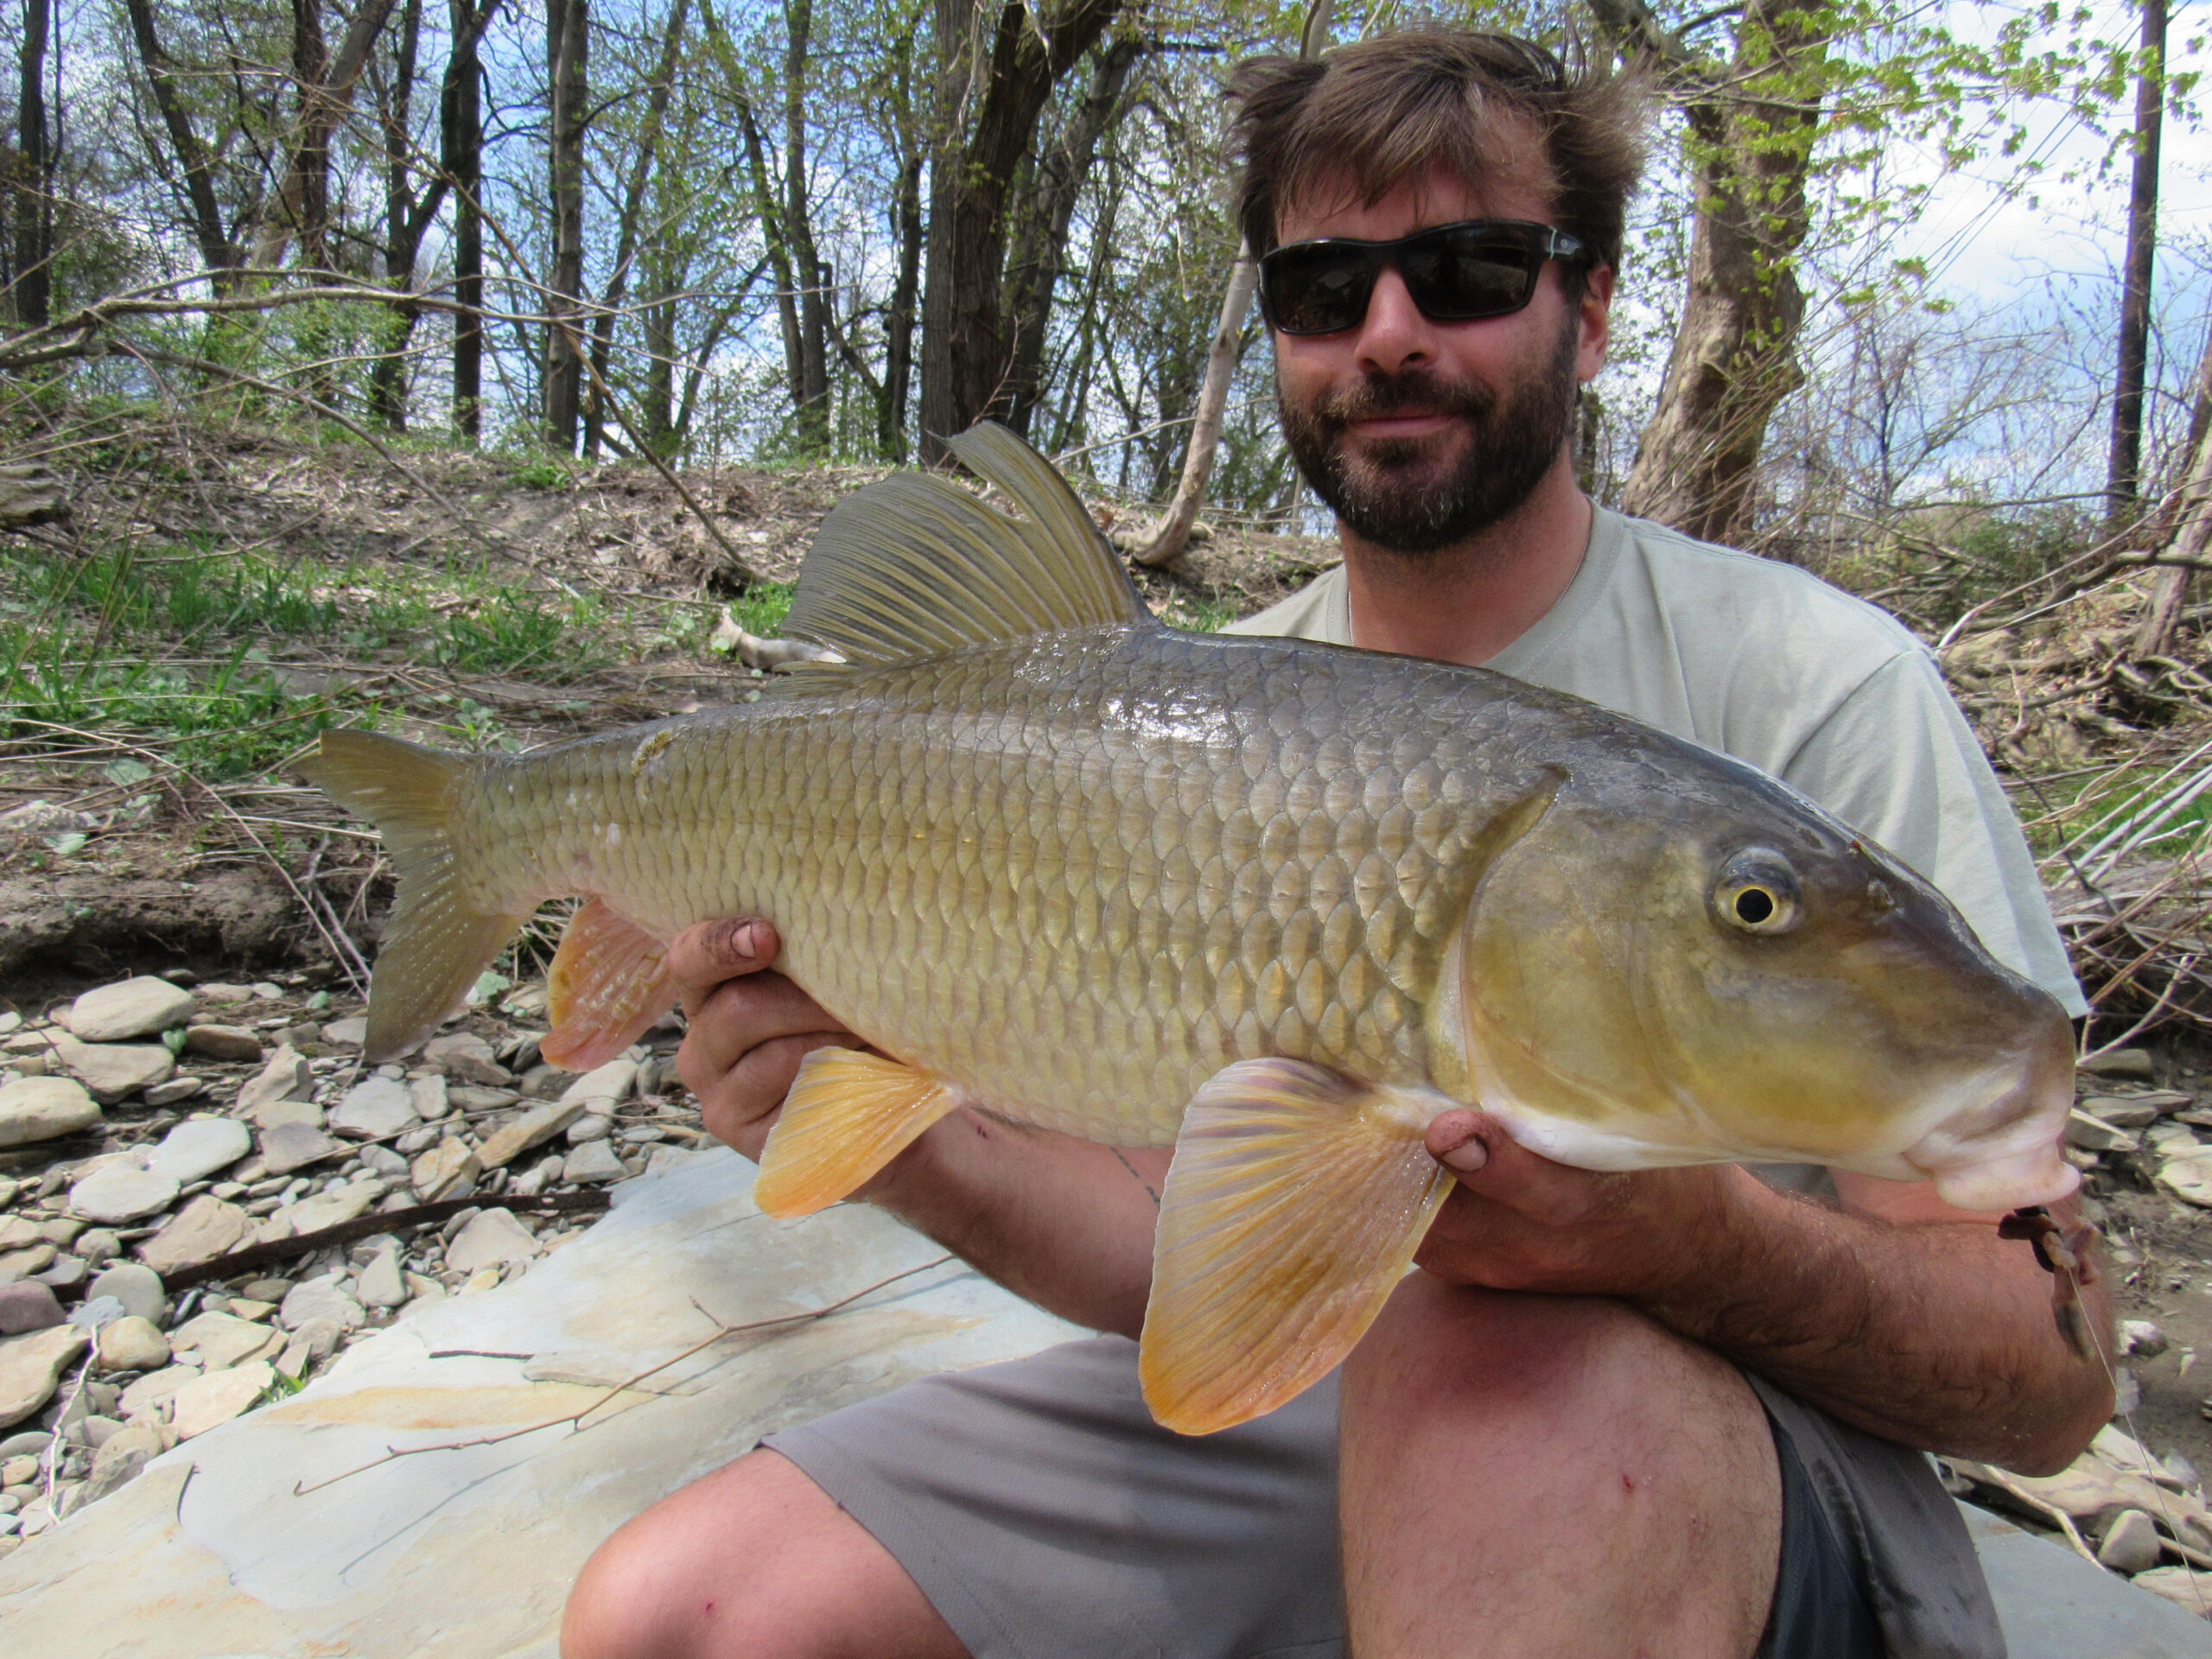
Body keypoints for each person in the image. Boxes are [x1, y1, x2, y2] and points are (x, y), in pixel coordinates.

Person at [562, 31, 2111, 1659]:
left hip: (1715, 1446)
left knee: (1489, 1375)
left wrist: (1703, 1245)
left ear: (1587, 310)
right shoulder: (1200, 708)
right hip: (1317, 1415)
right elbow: (1181, 1256)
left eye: (1468, 270)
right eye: (1323, 287)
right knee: (683, 1617)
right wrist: (903, 1137)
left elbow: (2054, 1374)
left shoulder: (1814, 684)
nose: (1388, 333)